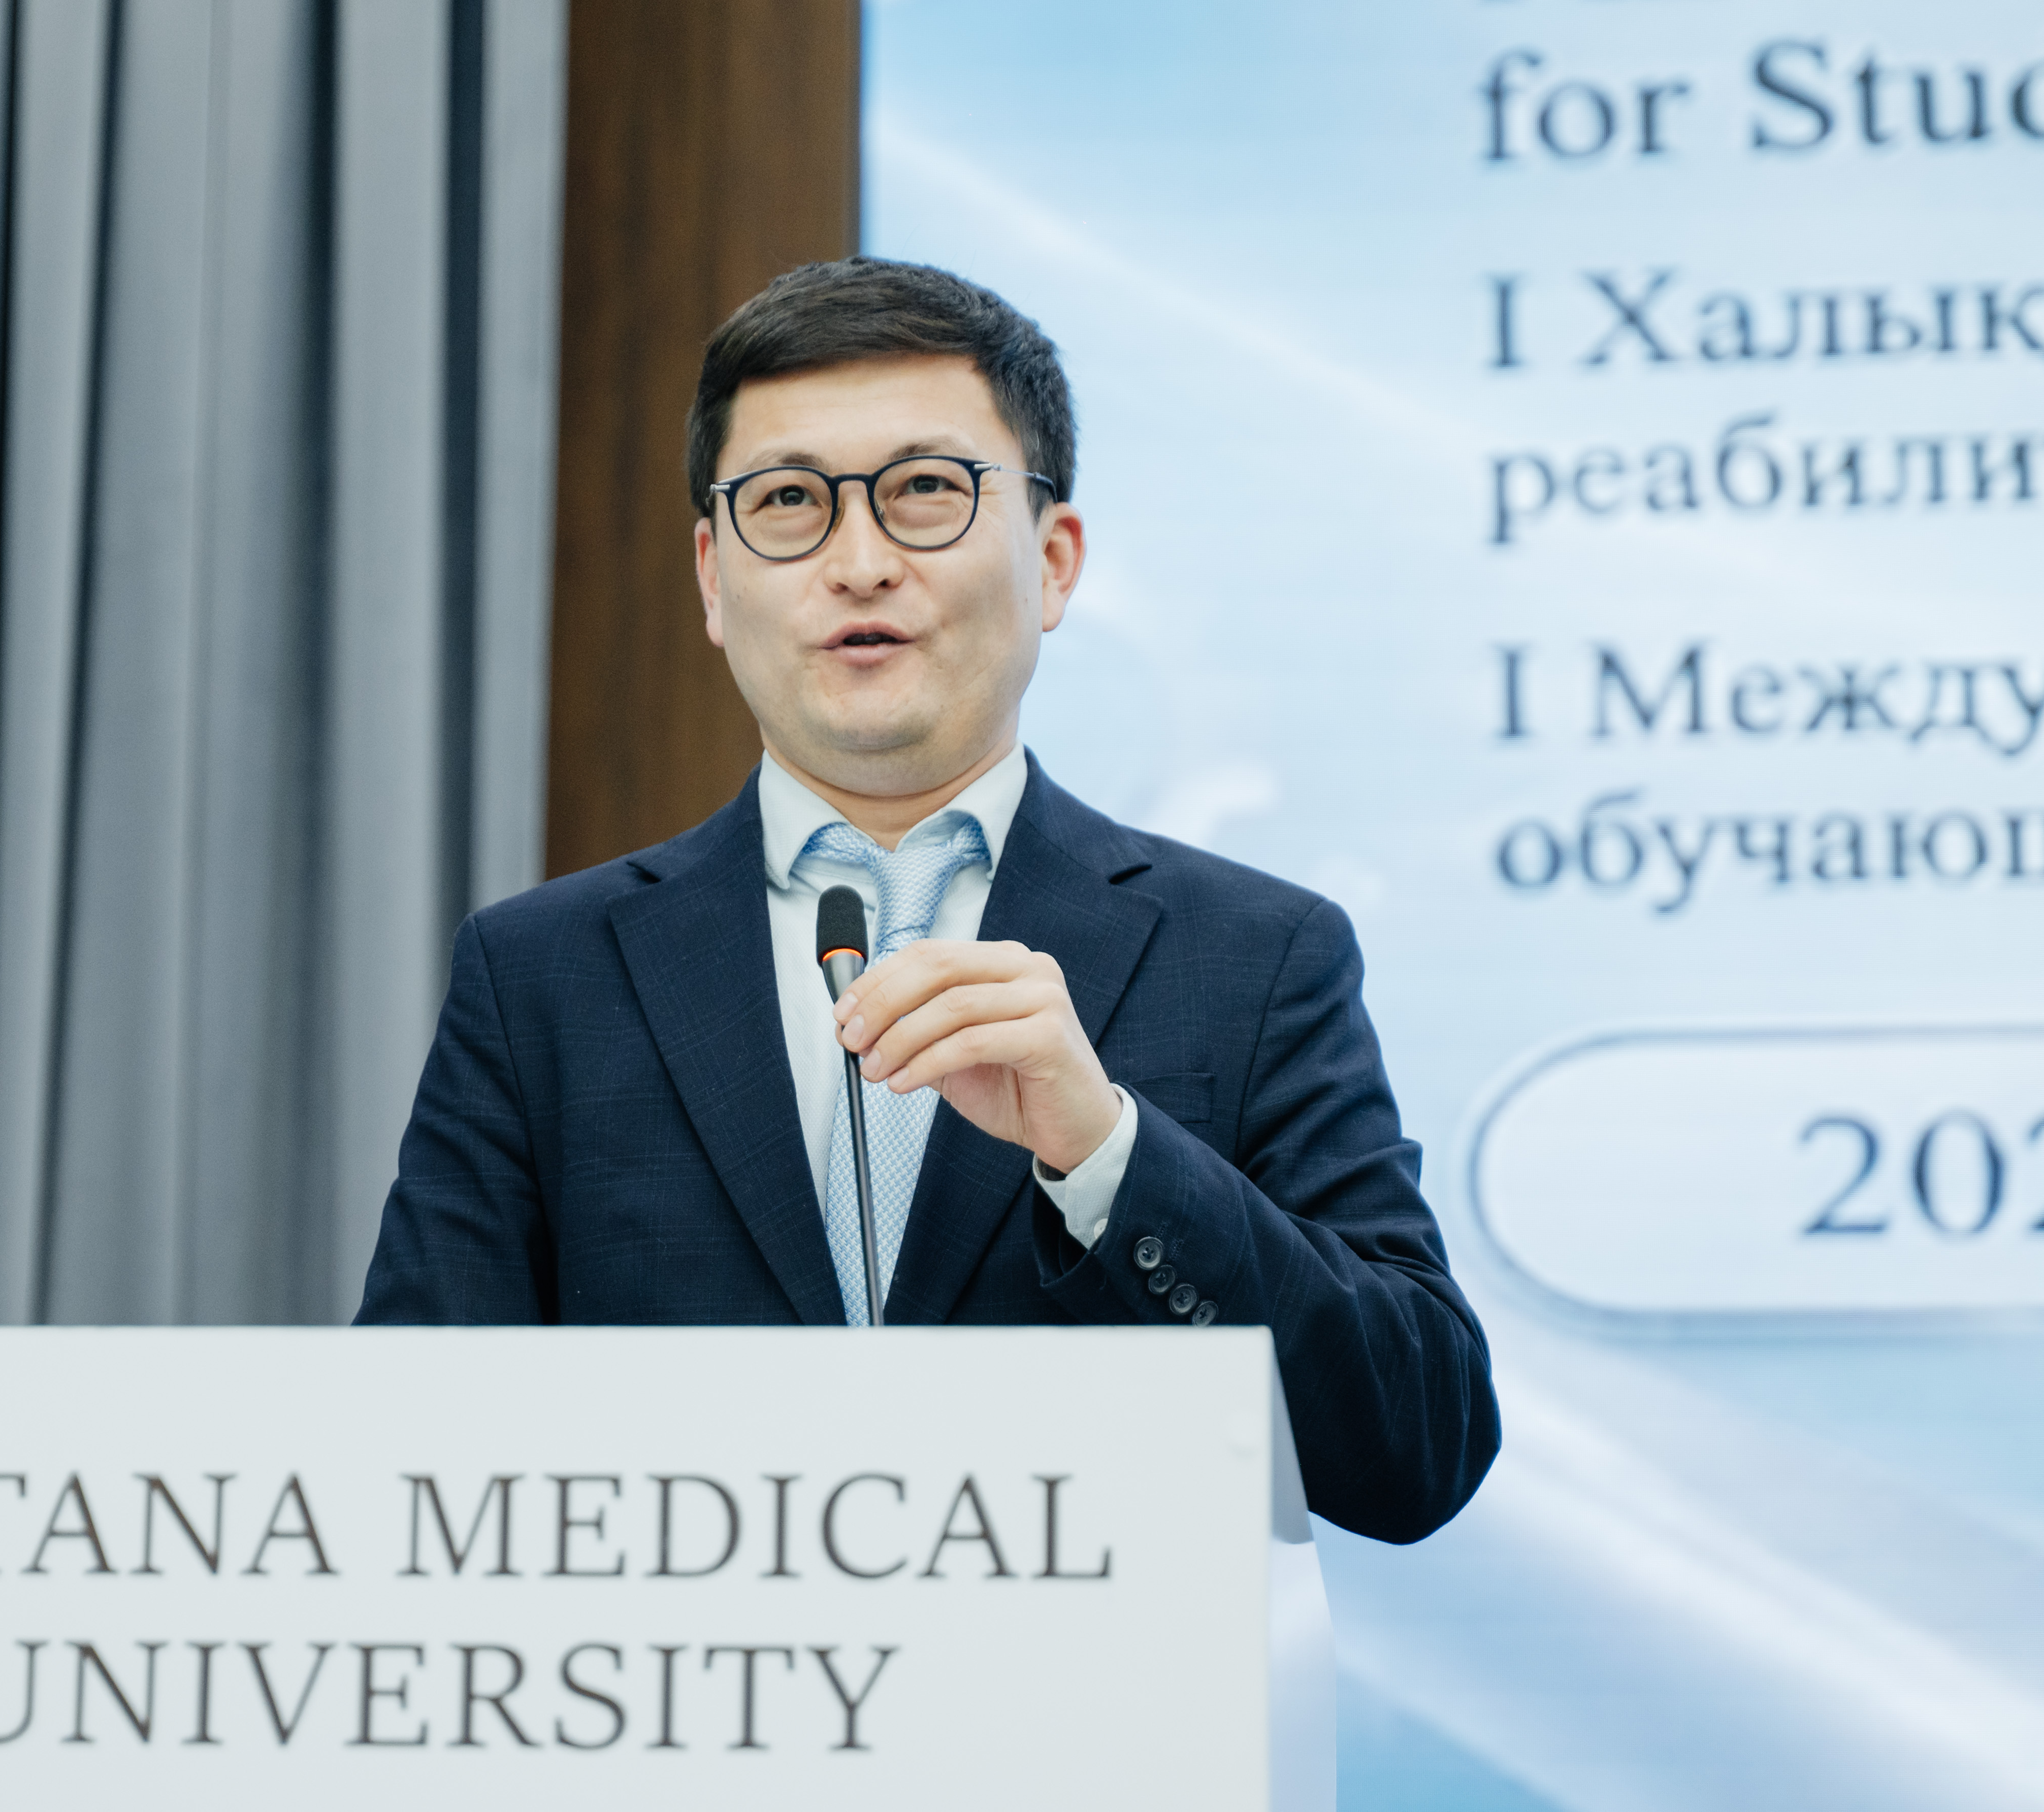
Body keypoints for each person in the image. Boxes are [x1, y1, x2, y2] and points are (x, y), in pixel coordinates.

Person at [355, 258, 1497, 1544]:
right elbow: (405, 1456)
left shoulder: (1255, 955)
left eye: (924, 493)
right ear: (713, 578)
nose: (858, 563)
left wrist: (1108, 1155)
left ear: (1053, 562)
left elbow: (1417, 1447)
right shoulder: (543, 975)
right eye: (788, 502)